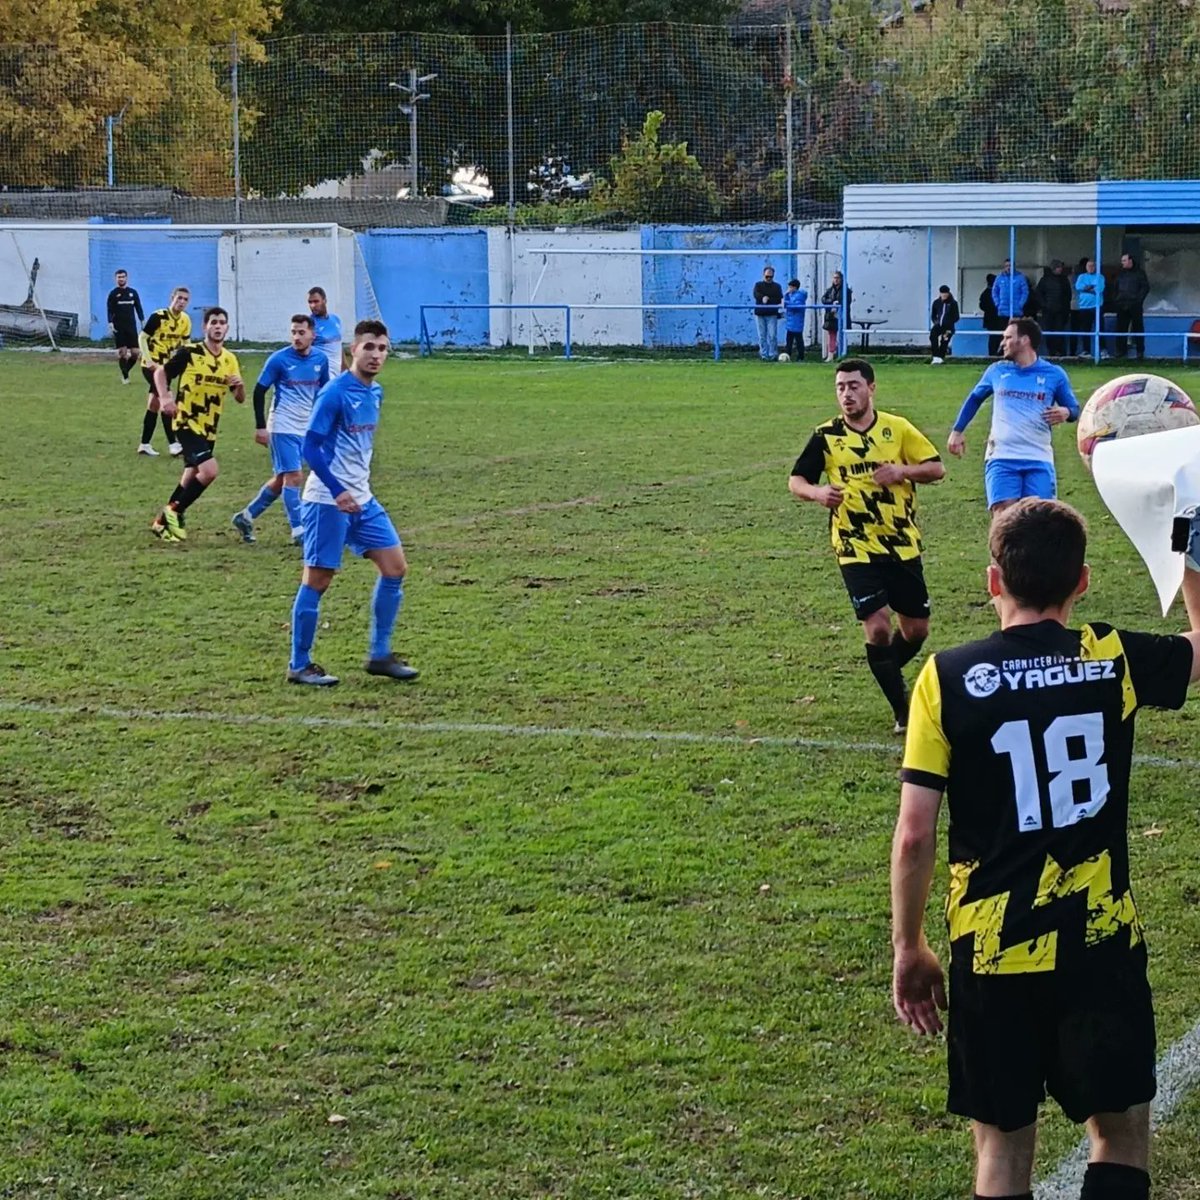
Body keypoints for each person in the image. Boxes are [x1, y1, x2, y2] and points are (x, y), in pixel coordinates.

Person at [891, 497, 1200, 1200]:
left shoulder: (947, 675)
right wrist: (1189, 544)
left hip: (991, 950)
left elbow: (914, 835)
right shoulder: (1110, 657)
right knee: (1119, 1137)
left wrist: (908, 946)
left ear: (993, 580)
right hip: (1098, 942)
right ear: (1082, 582)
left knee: (1002, 1153)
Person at [789, 358, 945, 733]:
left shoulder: (898, 428)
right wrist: (817, 493)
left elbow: (936, 468)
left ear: (871, 388)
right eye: (840, 387)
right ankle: (902, 710)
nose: (846, 394)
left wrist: (902, 471)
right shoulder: (826, 436)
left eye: (854, 386)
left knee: (917, 630)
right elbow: (796, 480)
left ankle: (886, 668)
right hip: (853, 545)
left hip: (901, 543)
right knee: (876, 629)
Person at [286, 319, 418, 687]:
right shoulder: (335, 393)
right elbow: (310, 447)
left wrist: (353, 491)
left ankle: (379, 654)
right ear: (352, 350)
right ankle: (299, 664)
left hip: (362, 498)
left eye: (382, 348)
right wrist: (337, 490)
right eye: (369, 347)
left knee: (395, 568)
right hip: (327, 501)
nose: (376, 355)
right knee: (318, 579)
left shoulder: (375, 393)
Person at [947, 317, 1079, 517]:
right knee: (1004, 519)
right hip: (1002, 456)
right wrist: (957, 431)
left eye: (1008, 337)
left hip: (1038, 457)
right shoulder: (997, 370)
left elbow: (1074, 409)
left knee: (1039, 519)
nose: (1003, 343)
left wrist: (1066, 412)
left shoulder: (1054, 374)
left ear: (1024, 340)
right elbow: (975, 398)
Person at [231, 313, 331, 546]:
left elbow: (325, 392)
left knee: (282, 479)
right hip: (282, 425)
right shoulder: (279, 360)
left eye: (301, 332)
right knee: (294, 476)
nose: (296, 337)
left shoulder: (321, 359)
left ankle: (246, 516)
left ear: (312, 334)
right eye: (293, 332)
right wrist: (260, 427)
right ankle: (299, 531)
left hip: (306, 427)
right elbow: (259, 391)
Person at [149, 307, 245, 542]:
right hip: (186, 422)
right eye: (213, 322)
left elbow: (239, 398)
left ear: (227, 328)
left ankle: (160, 523)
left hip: (209, 428)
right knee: (209, 471)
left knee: (190, 476)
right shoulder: (190, 352)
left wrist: (240, 386)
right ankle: (174, 512)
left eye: (222, 323)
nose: (218, 326)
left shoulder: (230, 359)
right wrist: (165, 398)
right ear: (205, 327)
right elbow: (160, 373)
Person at [136, 287, 190, 457]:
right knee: (166, 400)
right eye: (179, 298)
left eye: (185, 299)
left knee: (154, 404)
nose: (182, 302)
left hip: (167, 368)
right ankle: (174, 444)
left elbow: (186, 345)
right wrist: (148, 360)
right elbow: (142, 337)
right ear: (172, 298)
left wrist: (188, 364)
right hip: (151, 367)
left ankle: (144, 444)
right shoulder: (158, 316)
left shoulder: (185, 320)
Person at [106, 268, 144, 383]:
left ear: (126, 278)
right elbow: (109, 310)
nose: (121, 279)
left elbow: (138, 307)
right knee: (122, 353)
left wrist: (142, 321)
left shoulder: (133, 293)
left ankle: (125, 372)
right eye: (119, 277)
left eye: (123, 277)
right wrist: (110, 323)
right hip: (119, 327)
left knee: (135, 353)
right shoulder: (113, 294)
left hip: (131, 326)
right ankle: (126, 378)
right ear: (116, 279)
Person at [1113, 252, 1150, 361]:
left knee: (1138, 328)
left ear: (1130, 261)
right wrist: (1117, 300)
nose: (1122, 263)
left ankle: (1140, 352)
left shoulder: (1140, 273)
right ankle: (1120, 351)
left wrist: (1138, 301)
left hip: (1135, 305)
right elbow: (1115, 288)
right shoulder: (1120, 274)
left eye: (1124, 260)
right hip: (1122, 305)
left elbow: (1145, 288)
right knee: (1120, 328)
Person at [1033, 259, 1072, 357]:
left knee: (1059, 331)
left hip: (1059, 311)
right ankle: (1052, 351)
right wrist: (1044, 305)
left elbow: (1068, 295)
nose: (1060, 269)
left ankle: (1059, 351)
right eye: (1059, 267)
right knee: (1050, 332)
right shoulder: (1046, 280)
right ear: (1054, 268)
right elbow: (1039, 294)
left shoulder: (1062, 280)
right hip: (1049, 311)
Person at [307, 286, 344, 377]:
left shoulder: (335, 319)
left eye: (316, 301)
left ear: (324, 300)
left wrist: (347, 372)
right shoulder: (309, 324)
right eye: (310, 302)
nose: (312, 305)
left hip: (337, 374)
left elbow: (339, 347)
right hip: (323, 375)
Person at [1074, 258, 1105, 356]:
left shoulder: (1100, 277)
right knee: (1085, 330)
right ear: (1086, 267)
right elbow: (1078, 287)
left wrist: (1086, 288)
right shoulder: (1081, 277)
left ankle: (1103, 350)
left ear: (1095, 267)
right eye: (1089, 266)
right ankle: (1086, 351)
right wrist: (1091, 287)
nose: (1091, 268)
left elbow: (1099, 289)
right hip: (1084, 307)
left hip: (1097, 306)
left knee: (1100, 329)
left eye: (1093, 266)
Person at [752, 266, 783, 362]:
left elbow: (779, 299)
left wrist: (768, 299)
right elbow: (756, 295)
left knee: (772, 335)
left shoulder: (777, 286)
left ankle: (773, 354)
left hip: (772, 314)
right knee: (762, 336)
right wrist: (763, 298)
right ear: (763, 275)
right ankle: (764, 355)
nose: (769, 278)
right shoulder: (758, 285)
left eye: (771, 277)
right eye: (767, 276)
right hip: (760, 314)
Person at [821, 270, 851, 361]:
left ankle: (842, 353)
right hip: (831, 316)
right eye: (834, 278)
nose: (836, 280)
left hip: (842, 316)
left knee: (842, 335)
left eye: (837, 278)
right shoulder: (830, 290)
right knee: (832, 335)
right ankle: (831, 355)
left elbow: (847, 302)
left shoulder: (846, 291)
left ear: (841, 279)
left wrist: (838, 305)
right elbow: (823, 299)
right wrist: (831, 302)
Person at [991, 259, 1029, 326]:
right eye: (1007, 266)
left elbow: (1025, 292)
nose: (1008, 267)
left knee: (1016, 331)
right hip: (1002, 312)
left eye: (1010, 265)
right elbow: (994, 292)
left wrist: (1020, 304)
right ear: (1004, 267)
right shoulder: (999, 278)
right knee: (1004, 331)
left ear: (1014, 266)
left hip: (1016, 311)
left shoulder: (1020, 277)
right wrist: (998, 304)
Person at [929, 284, 959, 364]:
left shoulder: (953, 303)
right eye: (943, 293)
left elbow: (956, 316)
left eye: (946, 293)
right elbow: (933, 315)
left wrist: (949, 322)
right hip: (939, 326)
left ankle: (940, 357)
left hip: (948, 327)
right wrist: (936, 322)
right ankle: (935, 356)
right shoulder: (936, 303)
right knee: (933, 336)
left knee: (944, 341)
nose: (944, 295)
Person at [782, 277, 807, 361]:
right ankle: (787, 355)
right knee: (789, 341)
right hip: (790, 322)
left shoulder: (800, 296)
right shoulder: (790, 295)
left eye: (790, 287)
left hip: (797, 322)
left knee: (798, 340)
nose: (789, 289)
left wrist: (787, 303)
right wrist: (786, 296)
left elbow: (796, 306)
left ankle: (800, 356)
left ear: (795, 287)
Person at [979, 273, 1003, 358]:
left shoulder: (985, 293)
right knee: (997, 337)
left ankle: (993, 354)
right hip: (998, 319)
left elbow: (982, 305)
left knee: (994, 337)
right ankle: (996, 354)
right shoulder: (997, 292)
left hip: (991, 319)